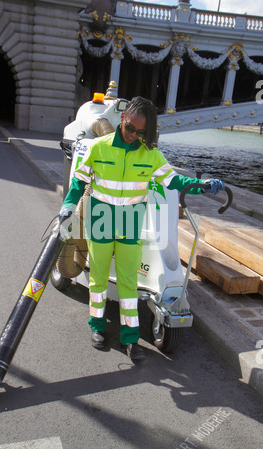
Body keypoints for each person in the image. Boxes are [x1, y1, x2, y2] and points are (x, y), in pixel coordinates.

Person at [59, 96, 225, 361]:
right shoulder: (99, 147)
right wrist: (68, 205)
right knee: (99, 280)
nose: (133, 135)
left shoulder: (150, 155)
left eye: (140, 132)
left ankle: (130, 339)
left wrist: (201, 185)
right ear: (122, 120)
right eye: (130, 129)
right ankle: (97, 328)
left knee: (128, 283)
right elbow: (79, 183)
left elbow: (173, 180)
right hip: (100, 220)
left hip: (129, 224)